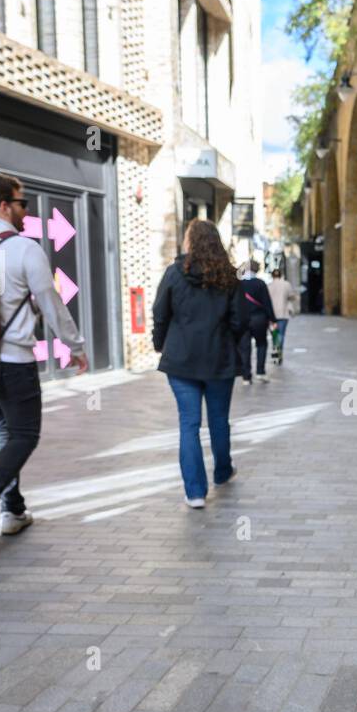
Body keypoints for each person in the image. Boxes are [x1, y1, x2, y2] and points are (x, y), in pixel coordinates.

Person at [0, 174, 88, 555]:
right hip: (12, 360)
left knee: (6, 431)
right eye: (22, 203)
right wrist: (74, 346)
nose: (27, 211)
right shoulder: (23, 248)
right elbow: (50, 304)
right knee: (25, 434)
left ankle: (12, 509)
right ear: (4, 206)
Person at [152, 218, 243, 509]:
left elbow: (160, 313)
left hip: (181, 361)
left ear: (190, 241)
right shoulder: (228, 277)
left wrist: (159, 343)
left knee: (188, 425)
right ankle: (222, 471)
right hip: (219, 361)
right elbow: (239, 321)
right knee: (218, 421)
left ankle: (195, 492)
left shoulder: (174, 273)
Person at [236, 259, 276, 385]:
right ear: (257, 269)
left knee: (245, 347)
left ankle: (246, 376)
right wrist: (273, 319)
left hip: (244, 319)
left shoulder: (239, 284)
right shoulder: (260, 283)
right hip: (259, 318)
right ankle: (260, 372)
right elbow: (267, 303)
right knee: (261, 344)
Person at [265, 267, 295, 363]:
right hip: (283, 314)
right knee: (281, 335)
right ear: (281, 275)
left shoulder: (269, 286)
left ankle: (276, 356)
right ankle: (279, 355)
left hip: (272, 315)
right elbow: (292, 296)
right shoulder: (286, 284)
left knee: (275, 336)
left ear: (272, 276)